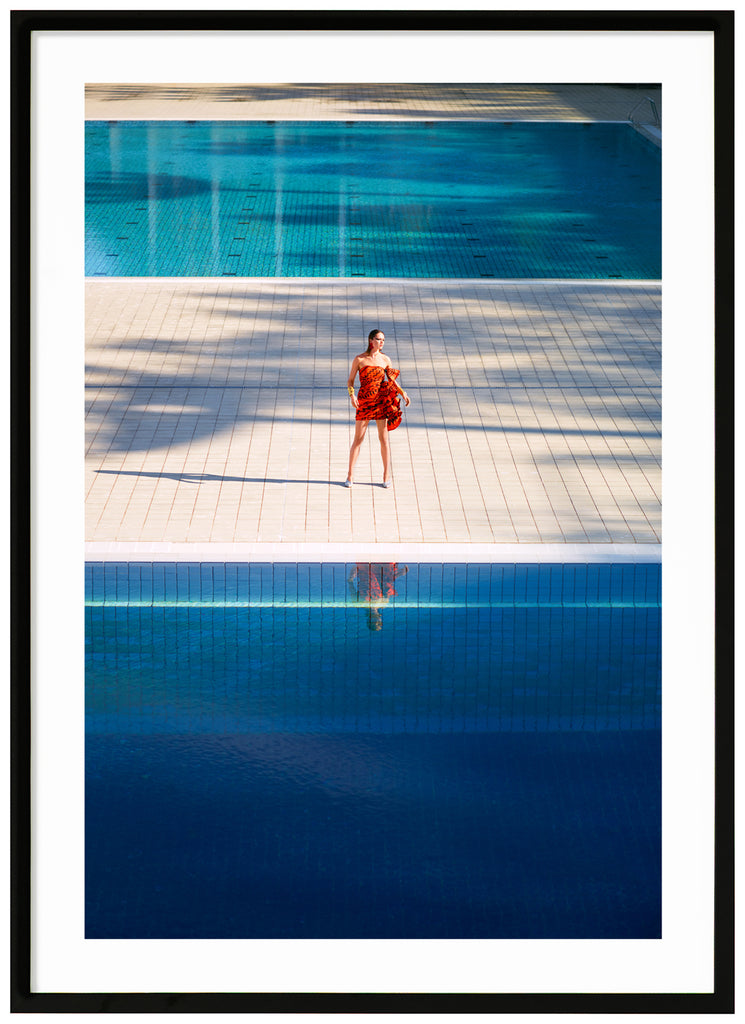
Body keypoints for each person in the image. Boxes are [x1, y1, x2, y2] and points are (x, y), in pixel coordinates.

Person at [345, 329, 410, 487]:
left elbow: (392, 381)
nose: (381, 342)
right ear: (371, 340)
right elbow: (350, 381)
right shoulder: (359, 359)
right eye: (379, 339)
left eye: (383, 340)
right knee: (358, 439)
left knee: (384, 439)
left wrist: (403, 393)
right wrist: (352, 395)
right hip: (365, 402)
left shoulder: (385, 359)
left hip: (380, 402)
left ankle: (386, 475)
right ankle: (350, 475)